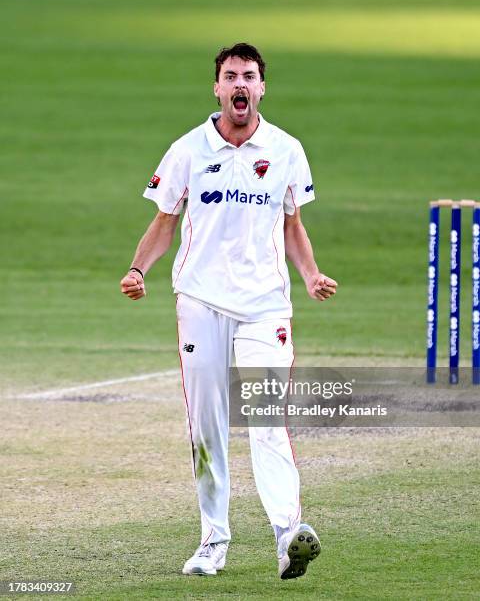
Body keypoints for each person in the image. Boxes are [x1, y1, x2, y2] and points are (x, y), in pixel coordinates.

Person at [120, 42, 337, 580]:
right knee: (207, 428)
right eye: (230, 76)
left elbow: (292, 223)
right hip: (200, 301)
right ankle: (213, 542)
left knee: (267, 419)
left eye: (249, 77)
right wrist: (138, 269)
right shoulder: (187, 150)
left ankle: (290, 536)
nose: (240, 85)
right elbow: (166, 220)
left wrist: (310, 275)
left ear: (262, 88)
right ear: (217, 88)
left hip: (265, 306)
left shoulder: (286, 149)